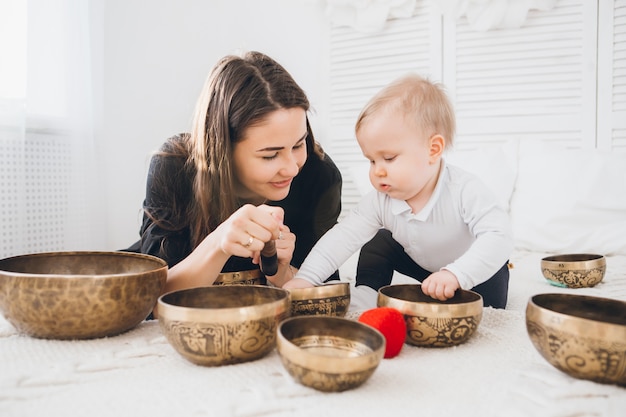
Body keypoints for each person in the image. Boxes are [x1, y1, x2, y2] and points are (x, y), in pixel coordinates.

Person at [283, 74, 513, 309]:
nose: (377, 171)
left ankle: (473, 298)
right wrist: (306, 278)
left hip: (473, 269)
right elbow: (341, 238)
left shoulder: (464, 190)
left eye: (389, 158)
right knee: (379, 242)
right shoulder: (380, 200)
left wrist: (457, 274)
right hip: (425, 269)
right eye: (371, 161)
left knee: (489, 301)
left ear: (433, 150)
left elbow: (499, 236)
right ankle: (368, 291)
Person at [127, 51, 342, 302]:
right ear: (223, 150)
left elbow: (327, 292)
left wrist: (282, 273)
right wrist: (219, 241)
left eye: (298, 144)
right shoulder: (173, 166)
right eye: (270, 155)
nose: (292, 168)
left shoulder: (319, 176)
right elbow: (153, 297)